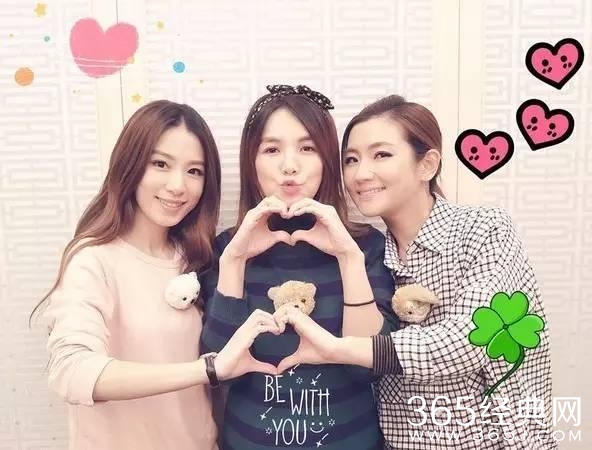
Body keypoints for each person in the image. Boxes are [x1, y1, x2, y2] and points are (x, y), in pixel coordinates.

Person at [275, 95, 556, 450]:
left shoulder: (484, 228)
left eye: (381, 155)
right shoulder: (373, 252)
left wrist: (338, 349)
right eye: (351, 159)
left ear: (427, 165)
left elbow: (476, 338)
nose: (361, 174)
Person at [32, 100, 280, 450]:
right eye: (160, 164)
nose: (178, 185)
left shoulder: (196, 258)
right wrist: (207, 369)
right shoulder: (93, 259)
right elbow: (72, 371)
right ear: (130, 165)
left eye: (194, 171)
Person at [200, 84, 399, 450]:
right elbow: (221, 373)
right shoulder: (227, 248)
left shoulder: (366, 245)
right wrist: (235, 261)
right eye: (272, 149)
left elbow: (369, 368)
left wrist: (348, 257)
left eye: (307, 148)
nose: (289, 166)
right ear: (251, 162)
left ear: (327, 160)